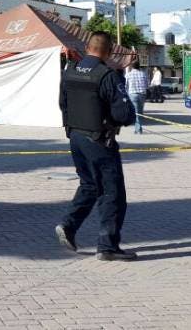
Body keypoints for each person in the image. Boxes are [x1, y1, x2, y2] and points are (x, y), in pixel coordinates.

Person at [55, 31, 138, 261]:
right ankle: (107, 246)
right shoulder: (106, 75)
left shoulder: (70, 71)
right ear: (109, 51)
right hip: (99, 140)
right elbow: (123, 114)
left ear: (87, 47)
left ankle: (68, 226)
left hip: (76, 137)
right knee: (112, 192)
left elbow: (62, 104)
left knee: (90, 185)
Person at [124, 60, 148, 134]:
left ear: (132, 66)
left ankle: (138, 128)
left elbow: (125, 86)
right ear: (139, 66)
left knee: (136, 112)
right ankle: (138, 128)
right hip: (142, 94)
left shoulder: (128, 74)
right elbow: (147, 85)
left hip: (132, 94)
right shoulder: (143, 74)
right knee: (140, 112)